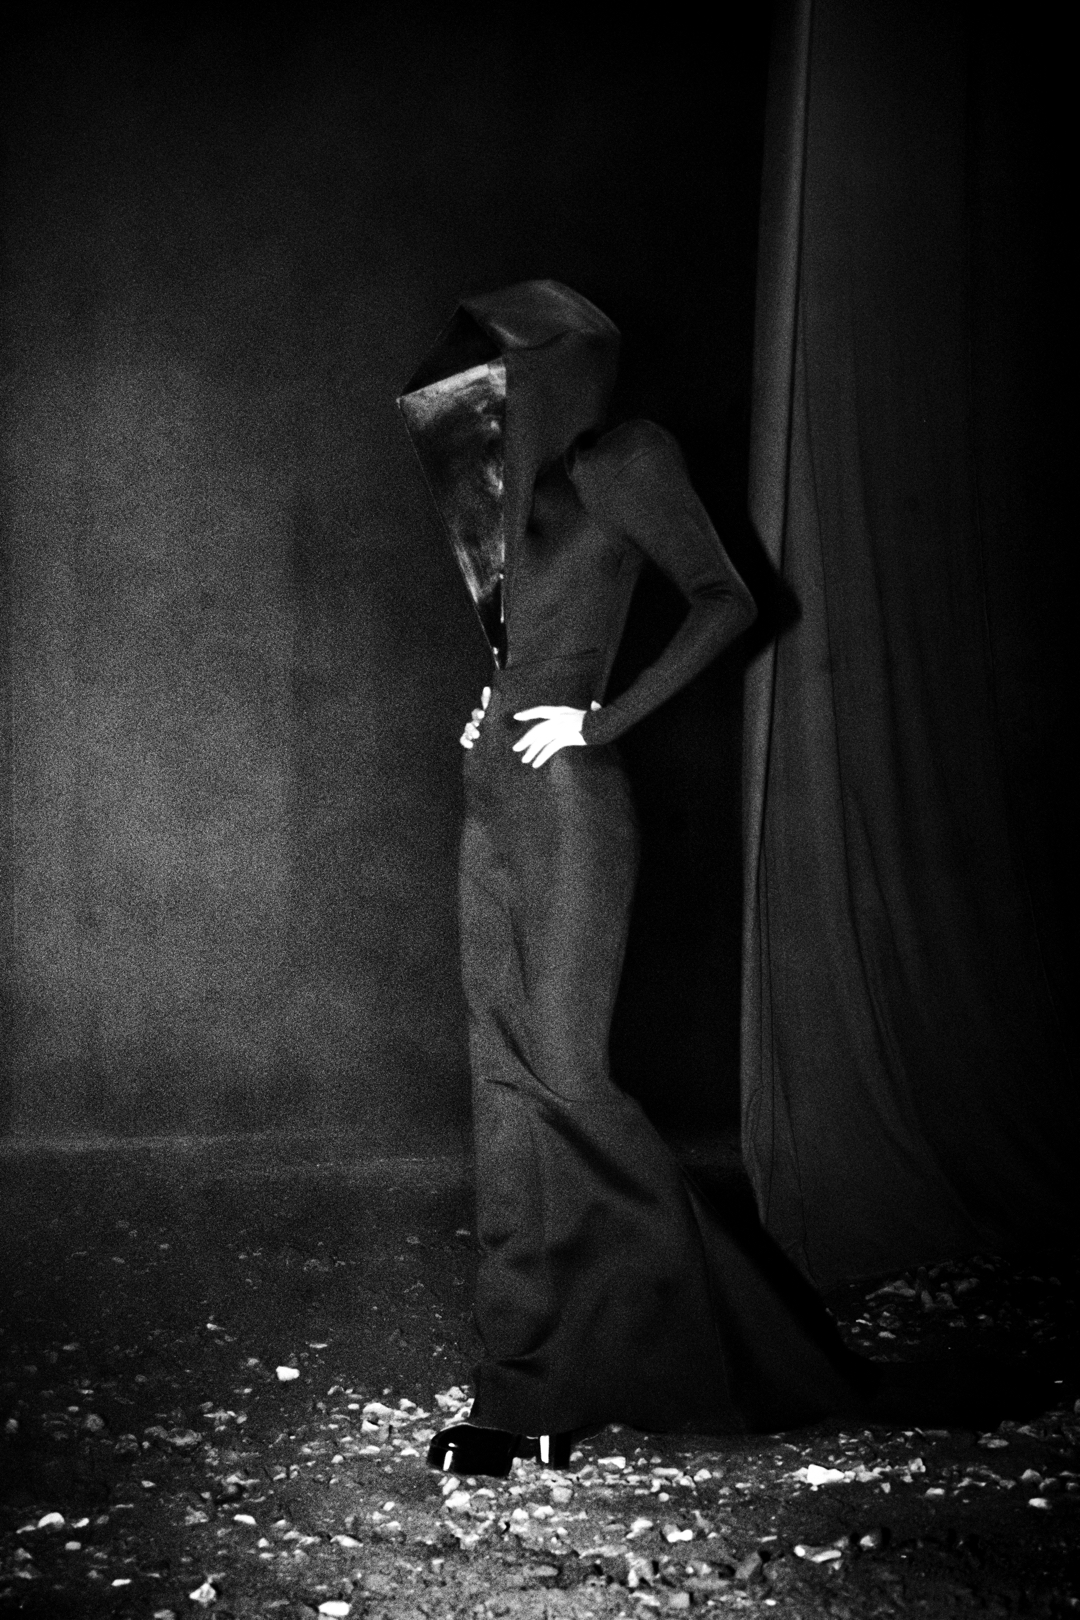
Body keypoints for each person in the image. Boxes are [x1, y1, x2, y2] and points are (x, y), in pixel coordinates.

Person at [395, 281, 1025, 1479]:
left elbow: (733, 599)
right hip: (488, 806)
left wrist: (599, 719)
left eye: (503, 368)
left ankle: (713, 1344)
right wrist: (497, 700)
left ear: (557, 363)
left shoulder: (624, 456)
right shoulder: (512, 501)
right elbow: (536, 639)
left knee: (570, 1082)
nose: (486, 396)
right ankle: (523, 1388)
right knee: (503, 1086)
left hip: (572, 811)